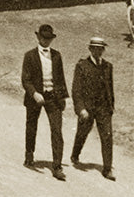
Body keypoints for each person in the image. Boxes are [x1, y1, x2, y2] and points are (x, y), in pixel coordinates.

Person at [22, 23, 69, 180]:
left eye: (49, 39)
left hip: (53, 98)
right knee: (31, 125)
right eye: (43, 38)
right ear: (38, 37)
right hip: (35, 97)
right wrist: (34, 93)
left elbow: (61, 79)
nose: (46, 41)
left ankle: (57, 166)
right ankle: (29, 154)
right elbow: (25, 79)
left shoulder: (57, 56)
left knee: (57, 130)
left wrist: (63, 98)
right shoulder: (29, 56)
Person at [70, 36, 115, 180]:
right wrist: (81, 109)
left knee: (107, 136)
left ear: (103, 50)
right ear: (90, 49)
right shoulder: (82, 65)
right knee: (82, 133)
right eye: (95, 48)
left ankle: (107, 169)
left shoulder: (108, 66)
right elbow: (76, 90)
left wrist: (111, 106)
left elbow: (110, 87)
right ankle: (75, 154)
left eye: (100, 49)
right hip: (87, 108)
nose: (98, 51)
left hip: (103, 108)